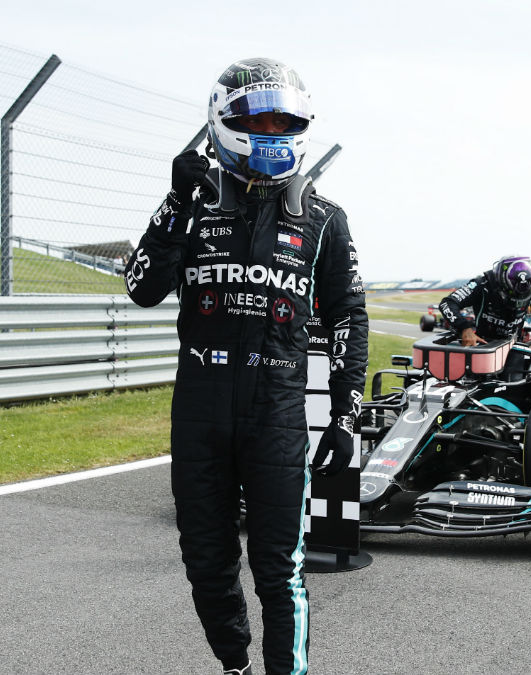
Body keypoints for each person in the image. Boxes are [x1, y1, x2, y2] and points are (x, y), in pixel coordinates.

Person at [124, 57, 367, 675]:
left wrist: (346, 412)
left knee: (278, 568)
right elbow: (141, 287)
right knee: (205, 559)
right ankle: (233, 665)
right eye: (256, 118)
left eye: (283, 119)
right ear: (222, 122)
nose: (269, 130)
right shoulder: (190, 202)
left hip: (278, 412)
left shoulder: (324, 220)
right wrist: (175, 207)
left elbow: (347, 317)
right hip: (200, 407)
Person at [438, 255, 531, 375]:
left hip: (513, 347)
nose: (518, 300)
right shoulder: (481, 285)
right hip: (482, 347)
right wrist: (464, 328)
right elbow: (447, 303)